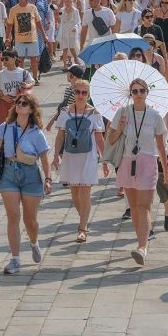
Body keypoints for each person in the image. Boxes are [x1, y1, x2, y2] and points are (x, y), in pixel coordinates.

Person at [0, 92, 52, 274]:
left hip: (30, 175)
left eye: (24, 103)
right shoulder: (5, 127)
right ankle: (15, 259)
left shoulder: (36, 133)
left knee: (31, 220)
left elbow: (44, 157)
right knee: (13, 215)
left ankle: (34, 242)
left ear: (31, 109)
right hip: (9, 173)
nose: (20, 105)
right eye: (18, 102)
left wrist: (48, 179)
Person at [106, 79, 168, 265]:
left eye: (142, 90)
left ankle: (142, 247)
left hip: (148, 162)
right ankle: (140, 241)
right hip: (128, 161)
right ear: (131, 94)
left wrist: (165, 171)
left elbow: (160, 144)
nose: (139, 94)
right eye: (134, 91)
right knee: (133, 207)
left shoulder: (154, 115)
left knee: (144, 207)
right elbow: (110, 140)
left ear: (147, 92)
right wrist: (120, 127)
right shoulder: (123, 112)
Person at [51, 79, 108, 244]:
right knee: (75, 194)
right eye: (78, 92)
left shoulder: (94, 113)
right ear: (73, 93)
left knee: (85, 191)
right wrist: (55, 156)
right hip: (70, 155)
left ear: (89, 95)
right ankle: (84, 216)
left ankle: (82, 229)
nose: (81, 95)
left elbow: (99, 138)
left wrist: (104, 161)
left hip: (88, 157)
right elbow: (60, 135)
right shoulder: (65, 112)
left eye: (84, 93)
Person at [6, 0, 46, 83]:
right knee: (20, 60)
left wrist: (44, 36)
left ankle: (35, 78)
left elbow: (39, 22)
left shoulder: (33, 8)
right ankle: (21, 79)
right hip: (20, 39)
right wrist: (7, 37)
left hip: (33, 39)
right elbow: (9, 25)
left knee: (34, 59)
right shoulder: (14, 9)